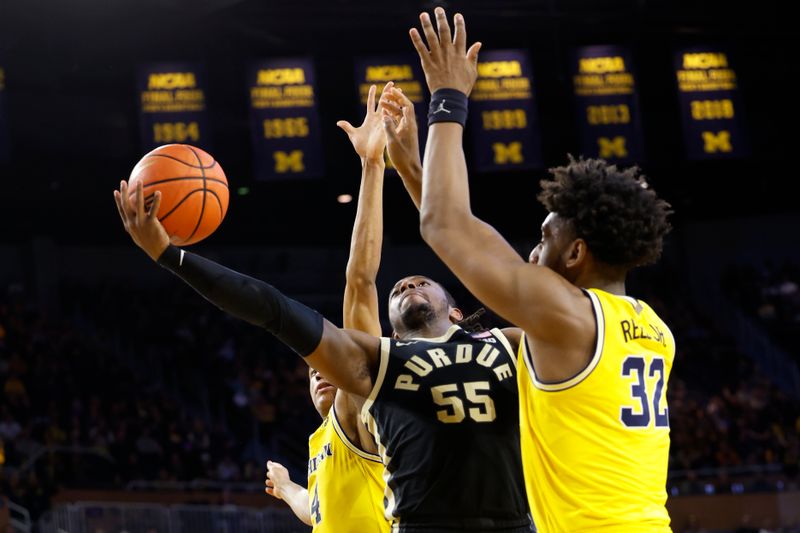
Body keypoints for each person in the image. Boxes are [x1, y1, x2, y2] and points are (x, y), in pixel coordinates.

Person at [113, 100, 530, 532]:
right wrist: (171, 257)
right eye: (399, 288)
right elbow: (323, 292)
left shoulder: (510, 344)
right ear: (386, 328)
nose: (407, 285)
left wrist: (401, 153)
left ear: (457, 311)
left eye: (422, 282)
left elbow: (481, 257)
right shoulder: (379, 366)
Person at [406, 7, 675, 531]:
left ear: (576, 255)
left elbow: (446, 225)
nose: (530, 253)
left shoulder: (568, 317)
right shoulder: (651, 330)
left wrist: (447, 98)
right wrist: (409, 168)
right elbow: (469, 242)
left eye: (545, 238)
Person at [263, 84, 389, 533]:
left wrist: (372, 167)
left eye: (324, 365)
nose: (317, 371)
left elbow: (360, 283)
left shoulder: (357, 409)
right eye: (311, 370)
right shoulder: (323, 440)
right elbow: (318, 507)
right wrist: (289, 488)